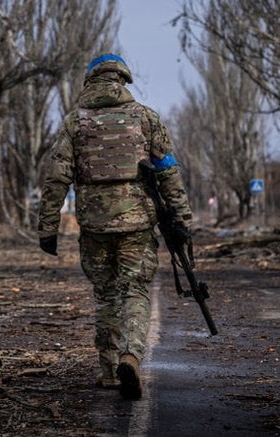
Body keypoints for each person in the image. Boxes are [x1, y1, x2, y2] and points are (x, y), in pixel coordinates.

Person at [37, 53, 193, 400]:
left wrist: (47, 227)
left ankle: (109, 372)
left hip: (94, 226)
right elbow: (168, 172)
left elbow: (56, 178)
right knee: (135, 291)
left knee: (106, 295)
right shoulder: (145, 119)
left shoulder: (74, 123)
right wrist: (182, 219)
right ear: (123, 80)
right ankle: (131, 356)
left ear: (90, 81)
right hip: (137, 224)